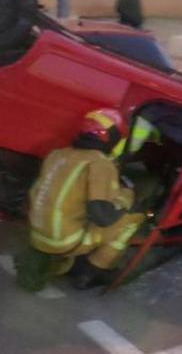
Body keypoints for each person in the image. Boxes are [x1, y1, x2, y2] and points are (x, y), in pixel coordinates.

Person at [20, 108, 145, 291]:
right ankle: (90, 272)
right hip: (65, 241)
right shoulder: (99, 163)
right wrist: (126, 199)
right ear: (112, 137)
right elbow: (102, 218)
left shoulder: (58, 154)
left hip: (36, 234)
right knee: (134, 217)